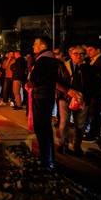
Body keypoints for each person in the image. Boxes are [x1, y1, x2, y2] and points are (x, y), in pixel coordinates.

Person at [26, 36, 60, 170]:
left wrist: (30, 67)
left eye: (35, 44)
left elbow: (34, 79)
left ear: (42, 46)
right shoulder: (45, 59)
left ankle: (47, 160)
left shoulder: (44, 60)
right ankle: (46, 158)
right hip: (43, 96)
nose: (33, 46)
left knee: (43, 128)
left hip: (42, 97)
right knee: (43, 128)